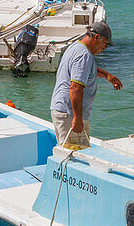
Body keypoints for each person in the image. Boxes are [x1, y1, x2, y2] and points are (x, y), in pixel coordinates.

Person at [50, 21, 122, 149]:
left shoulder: (76, 47)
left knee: (72, 151)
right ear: (97, 37)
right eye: (106, 44)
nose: (105, 48)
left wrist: (107, 76)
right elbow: (75, 88)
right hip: (69, 113)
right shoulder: (84, 55)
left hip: (62, 109)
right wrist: (77, 118)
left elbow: (86, 70)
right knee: (75, 154)